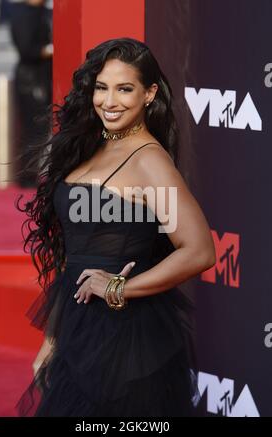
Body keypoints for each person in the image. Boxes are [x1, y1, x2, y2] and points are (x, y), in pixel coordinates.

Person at [16, 37, 216, 417]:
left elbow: (199, 249)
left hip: (126, 340)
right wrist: (53, 337)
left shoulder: (151, 163)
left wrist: (118, 287)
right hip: (79, 329)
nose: (109, 101)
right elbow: (74, 257)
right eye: (102, 87)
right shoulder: (94, 144)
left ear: (149, 94)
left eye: (125, 89)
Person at [10, 0, 53, 187]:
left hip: (40, 78)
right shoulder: (24, 15)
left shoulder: (42, 12)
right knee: (33, 130)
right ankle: (27, 176)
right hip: (31, 81)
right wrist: (50, 49)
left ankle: (31, 174)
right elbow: (27, 49)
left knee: (40, 130)